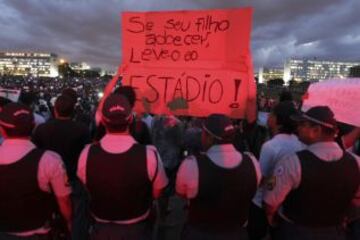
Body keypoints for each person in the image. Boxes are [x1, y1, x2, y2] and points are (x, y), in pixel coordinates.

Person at [77, 93, 168, 239]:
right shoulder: (150, 155)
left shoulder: (86, 154)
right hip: (137, 227)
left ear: (103, 122)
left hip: (101, 227)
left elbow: (87, 187)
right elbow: (157, 192)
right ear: (131, 119)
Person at [264, 106, 360, 240]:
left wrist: (271, 217)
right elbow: (356, 201)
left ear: (316, 130)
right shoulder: (355, 163)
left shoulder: (292, 162)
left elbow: (270, 202)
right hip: (335, 232)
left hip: (297, 232)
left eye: (303, 124)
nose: (298, 128)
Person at [176, 114, 261, 240]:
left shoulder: (192, 165)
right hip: (237, 233)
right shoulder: (252, 162)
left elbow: (181, 192)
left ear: (209, 138)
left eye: (203, 134)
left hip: (200, 233)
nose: (201, 137)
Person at [0, 102, 72, 239]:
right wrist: (69, 223)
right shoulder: (50, 160)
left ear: (2, 129)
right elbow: (64, 201)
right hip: (38, 232)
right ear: (33, 127)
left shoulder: (49, 159)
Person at [32, 94, 91, 240]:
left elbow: (35, 155)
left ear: (55, 110)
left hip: (47, 182)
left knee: (47, 216)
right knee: (77, 218)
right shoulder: (82, 130)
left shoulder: (41, 129)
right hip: (74, 180)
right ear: (73, 111)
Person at [248, 101, 305, 240]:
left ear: (278, 121)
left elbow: (263, 178)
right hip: (285, 202)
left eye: (271, 114)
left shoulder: (271, 146)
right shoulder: (300, 143)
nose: (268, 117)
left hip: (261, 202)